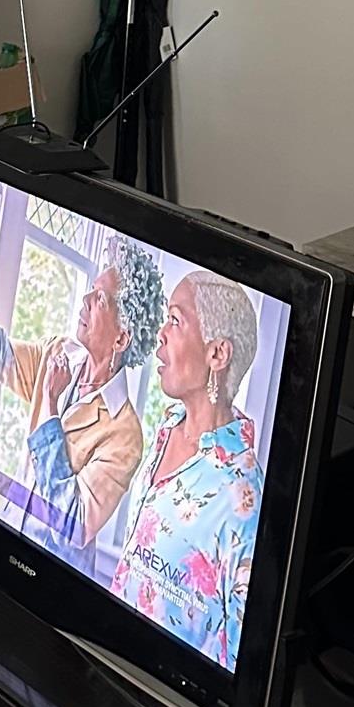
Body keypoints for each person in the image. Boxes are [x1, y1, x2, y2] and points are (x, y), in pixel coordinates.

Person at [0, 229, 165, 559]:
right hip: (5, 540)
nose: (85, 300)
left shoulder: (125, 435)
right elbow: (0, 355)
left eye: (101, 299)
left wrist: (50, 403)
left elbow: (73, 524)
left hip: (50, 578)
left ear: (121, 339)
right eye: (91, 291)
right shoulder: (60, 351)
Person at [111, 270, 265, 670]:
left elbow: (237, 657)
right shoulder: (167, 426)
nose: (160, 333)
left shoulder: (244, 499)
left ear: (217, 354)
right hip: (112, 660)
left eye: (176, 320)